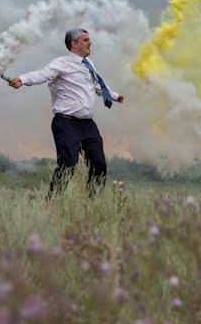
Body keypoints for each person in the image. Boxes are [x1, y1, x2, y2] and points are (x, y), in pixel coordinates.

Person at [9, 28, 125, 198]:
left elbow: (95, 86)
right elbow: (43, 74)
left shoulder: (89, 63)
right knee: (68, 164)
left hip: (88, 125)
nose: (90, 42)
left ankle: (93, 203)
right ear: (74, 43)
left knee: (99, 165)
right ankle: (53, 201)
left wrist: (113, 95)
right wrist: (22, 79)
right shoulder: (62, 63)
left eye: (89, 39)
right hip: (66, 123)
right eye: (85, 40)